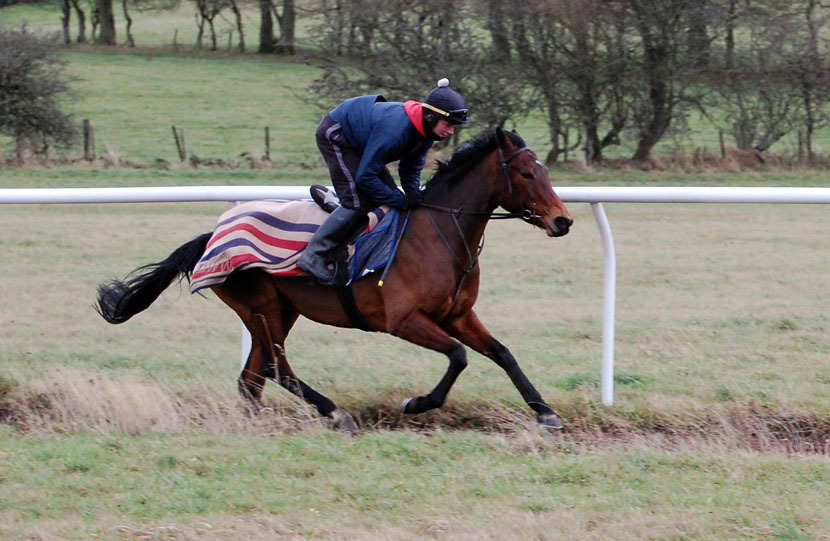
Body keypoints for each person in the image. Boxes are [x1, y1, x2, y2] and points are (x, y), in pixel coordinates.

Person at [297, 78, 470, 284]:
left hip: (362, 140)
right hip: (337, 134)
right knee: (359, 200)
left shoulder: (425, 130)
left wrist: (413, 193)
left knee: (384, 195)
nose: (450, 131)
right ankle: (313, 255)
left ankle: (343, 214)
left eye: (454, 127)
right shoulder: (396, 131)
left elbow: (410, 166)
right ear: (431, 116)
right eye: (448, 124)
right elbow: (365, 177)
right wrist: (399, 199)